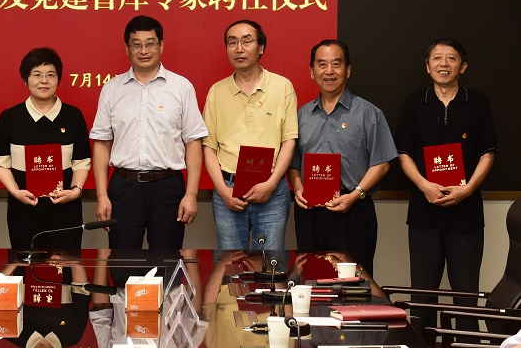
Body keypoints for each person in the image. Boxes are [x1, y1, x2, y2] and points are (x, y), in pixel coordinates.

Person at [396, 38, 498, 333]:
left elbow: (488, 153)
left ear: (463, 66)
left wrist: (467, 189)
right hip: (424, 212)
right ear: (427, 67)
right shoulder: (415, 102)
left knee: (466, 296)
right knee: (422, 295)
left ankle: (466, 341)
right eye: (437, 58)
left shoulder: (478, 102)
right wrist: (424, 185)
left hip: (466, 213)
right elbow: (403, 153)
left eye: (451, 58)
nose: (444, 64)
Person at [90, 15, 208, 249]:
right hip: (124, 188)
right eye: (136, 44)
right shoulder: (112, 89)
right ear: (127, 48)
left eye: (150, 43)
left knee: (167, 261)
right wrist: (102, 196)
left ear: (161, 46)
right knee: (123, 261)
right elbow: (102, 143)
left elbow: (193, 142)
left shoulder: (181, 87)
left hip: (167, 187)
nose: (144, 51)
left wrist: (191, 194)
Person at [288, 39, 397, 276]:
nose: (329, 71)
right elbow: (293, 163)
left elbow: (382, 163)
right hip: (310, 213)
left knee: (356, 283)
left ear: (348, 70)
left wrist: (355, 195)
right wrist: (298, 188)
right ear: (312, 71)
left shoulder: (369, 113)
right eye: (322, 64)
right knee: (313, 279)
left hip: (353, 209)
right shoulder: (301, 115)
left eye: (336, 64)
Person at [202, 19, 297, 251]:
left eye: (246, 41)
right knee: (231, 265)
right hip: (228, 189)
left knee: (269, 264)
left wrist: (271, 184)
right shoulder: (216, 91)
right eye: (232, 43)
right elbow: (209, 147)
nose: (239, 49)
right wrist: (223, 191)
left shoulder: (282, 87)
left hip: (272, 189)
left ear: (261, 47)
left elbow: (289, 141)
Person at [0, 48, 91, 249]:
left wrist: (75, 191)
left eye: (50, 75)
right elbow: (1, 163)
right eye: (37, 75)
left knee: (66, 263)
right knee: (26, 263)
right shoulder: (10, 118)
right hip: (24, 209)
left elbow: (82, 162)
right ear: (25, 79)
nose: (44, 81)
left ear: (58, 79)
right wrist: (15, 192)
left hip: (65, 210)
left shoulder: (73, 116)